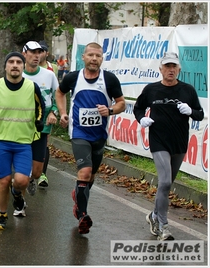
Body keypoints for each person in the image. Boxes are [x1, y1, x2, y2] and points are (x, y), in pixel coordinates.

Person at [55, 42, 126, 234]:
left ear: (102, 59)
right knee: (84, 172)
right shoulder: (73, 78)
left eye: (98, 56)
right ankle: (82, 214)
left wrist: (110, 110)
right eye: (91, 55)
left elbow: (122, 104)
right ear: (83, 57)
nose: (94, 59)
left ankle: (78, 196)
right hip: (79, 133)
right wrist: (62, 112)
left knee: (91, 176)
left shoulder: (109, 79)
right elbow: (60, 92)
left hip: (99, 136)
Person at [133, 52, 204, 241]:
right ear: (161, 69)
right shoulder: (151, 90)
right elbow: (138, 107)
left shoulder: (187, 90)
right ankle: (163, 226)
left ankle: (153, 215)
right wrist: (142, 118)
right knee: (164, 182)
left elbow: (199, 113)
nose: (170, 70)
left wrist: (190, 111)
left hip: (179, 142)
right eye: (167, 66)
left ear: (179, 69)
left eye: (174, 67)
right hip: (159, 141)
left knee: (167, 184)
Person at [0, 52, 45, 230]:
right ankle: (2, 215)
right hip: (1, 141)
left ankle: (17, 194)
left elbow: (41, 108)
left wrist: (39, 121)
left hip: (24, 142)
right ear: (5, 66)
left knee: (22, 181)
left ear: (24, 66)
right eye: (11, 62)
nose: (15, 65)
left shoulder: (32, 87)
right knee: (4, 180)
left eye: (18, 62)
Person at [21, 41, 59, 206]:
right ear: (24, 54)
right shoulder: (18, 74)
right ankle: (19, 200)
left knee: (37, 172)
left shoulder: (49, 75)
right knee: (21, 165)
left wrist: (54, 112)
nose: (37, 55)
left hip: (42, 125)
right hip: (21, 126)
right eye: (33, 52)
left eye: (39, 52)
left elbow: (58, 96)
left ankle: (31, 179)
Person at [38, 40, 59, 186]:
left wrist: (55, 111)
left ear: (47, 53)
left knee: (44, 141)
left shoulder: (53, 68)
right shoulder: (26, 68)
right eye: (36, 51)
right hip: (30, 110)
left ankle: (42, 174)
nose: (39, 54)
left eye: (42, 51)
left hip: (47, 109)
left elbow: (57, 91)